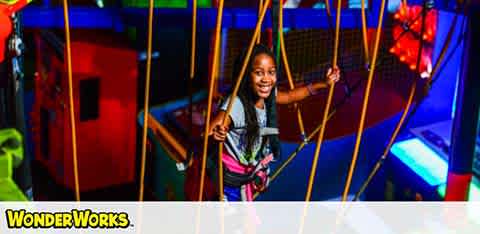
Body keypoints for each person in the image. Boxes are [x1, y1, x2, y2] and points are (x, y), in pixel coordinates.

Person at [209, 44, 340, 201]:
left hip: (248, 170)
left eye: (271, 72)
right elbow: (209, 132)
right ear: (246, 75)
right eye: (258, 73)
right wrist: (216, 134)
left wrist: (323, 84)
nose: (266, 79)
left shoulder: (268, 96)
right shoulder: (236, 104)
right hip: (230, 179)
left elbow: (291, 96)